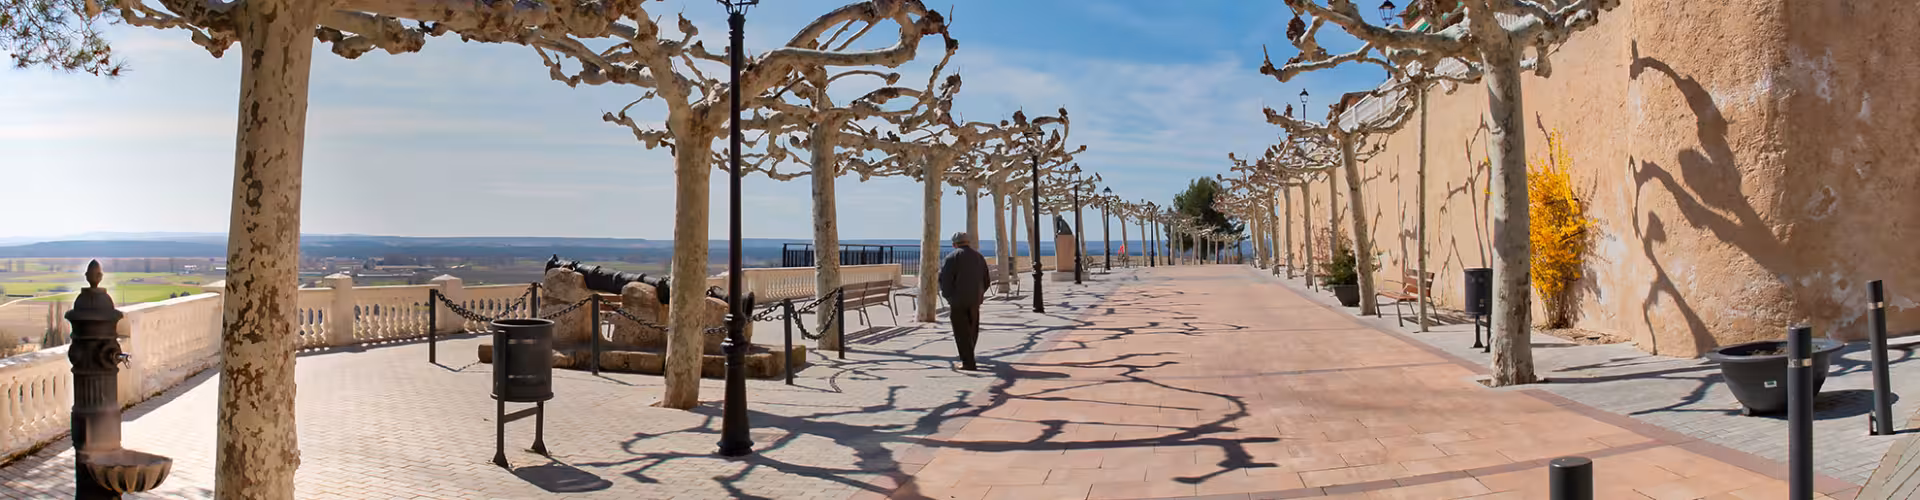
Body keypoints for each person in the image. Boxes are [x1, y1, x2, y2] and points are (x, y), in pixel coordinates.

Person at [938, 231, 990, 370]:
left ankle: (968, 362)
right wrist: (979, 294)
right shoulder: (979, 257)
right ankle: (969, 356)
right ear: (968, 242)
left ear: (954, 244)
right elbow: (986, 280)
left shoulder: (951, 258)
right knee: (972, 330)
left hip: (958, 301)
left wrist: (949, 297)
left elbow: (945, 280)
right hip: (975, 300)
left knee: (961, 332)